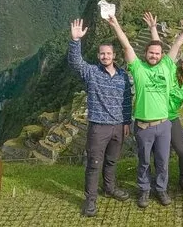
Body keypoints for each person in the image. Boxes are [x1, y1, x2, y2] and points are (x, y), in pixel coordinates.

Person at [108, 13, 183, 208]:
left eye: (157, 53)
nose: (154, 55)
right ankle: (144, 190)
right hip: (143, 126)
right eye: (151, 53)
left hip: (164, 125)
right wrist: (115, 24)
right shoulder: (138, 68)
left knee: (162, 161)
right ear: (145, 54)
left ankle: (161, 189)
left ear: (162, 56)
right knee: (144, 161)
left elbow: (177, 43)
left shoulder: (166, 67)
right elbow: (127, 46)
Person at [67, 19, 132, 218]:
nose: (105, 56)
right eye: (102, 54)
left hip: (118, 126)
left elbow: (127, 100)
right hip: (99, 127)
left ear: (114, 55)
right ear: (98, 56)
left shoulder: (123, 76)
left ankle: (109, 188)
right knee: (94, 163)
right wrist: (75, 41)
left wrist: (127, 122)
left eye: (108, 53)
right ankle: (90, 200)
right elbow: (75, 62)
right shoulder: (92, 72)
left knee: (112, 160)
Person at [142, 12, 183, 194]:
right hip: (157, 116)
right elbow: (176, 44)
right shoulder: (169, 71)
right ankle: (154, 181)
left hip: (172, 118)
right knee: (157, 153)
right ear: (182, 62)